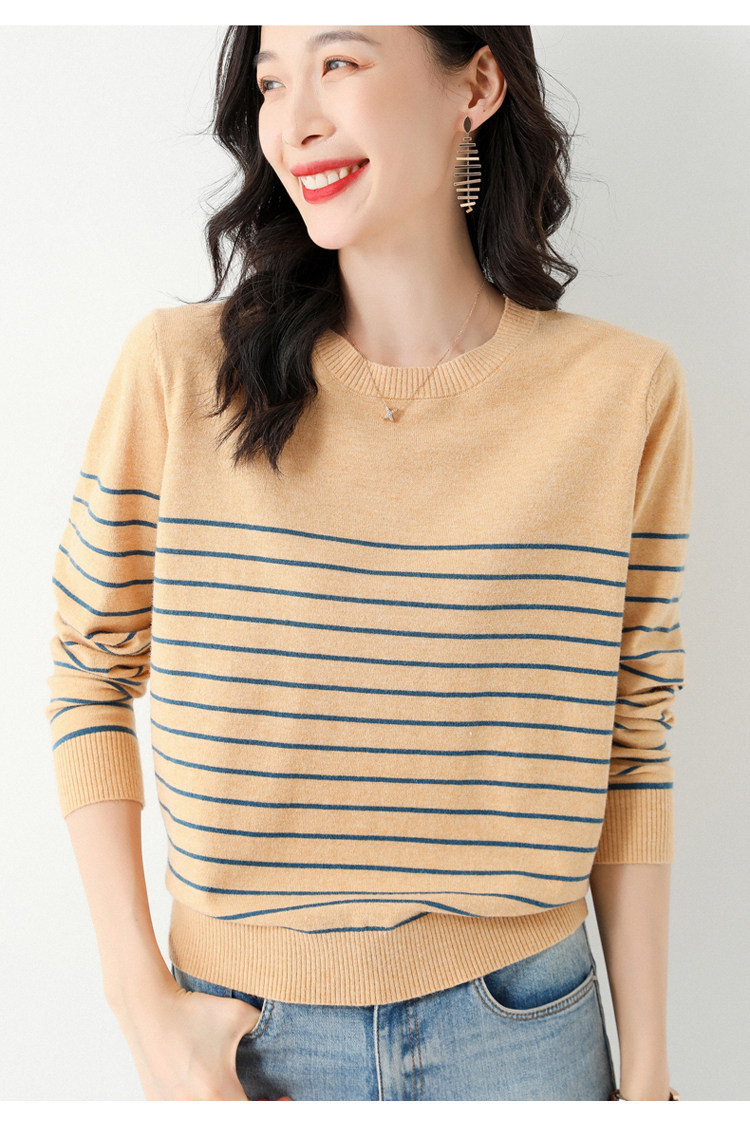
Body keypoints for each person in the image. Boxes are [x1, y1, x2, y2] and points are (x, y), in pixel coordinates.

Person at [45, 25, 692, 1101]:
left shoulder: (620, 394)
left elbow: (633, 730)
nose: (294, 121)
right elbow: (87, 667)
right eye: (271, 82)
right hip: (241, 1035)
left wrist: (656, 1074)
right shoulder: (180, 372)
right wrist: (140, 1004)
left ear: (475, 84)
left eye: (339, 64)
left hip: (526, 1030)